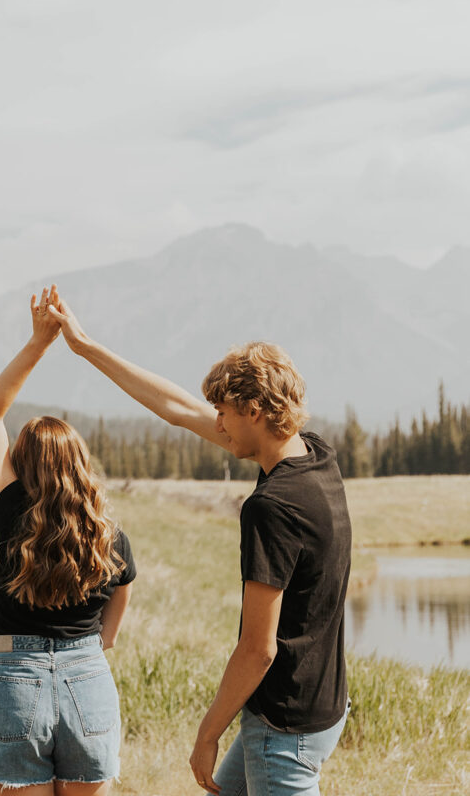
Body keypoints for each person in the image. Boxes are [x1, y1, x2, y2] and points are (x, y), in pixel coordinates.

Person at [48, 295, 351, 796]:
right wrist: (84, 347)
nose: (217, 423)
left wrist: (207, 735)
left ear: (254, 411)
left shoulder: (271, 507)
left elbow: (258, 649)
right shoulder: (314, 455)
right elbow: (177, 409)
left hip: (284, 729)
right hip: (319, 706)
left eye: (224, 412)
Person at [0, 286, 136, 796]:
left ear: (20, 465)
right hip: (87, 676)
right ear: (80, 465)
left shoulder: (12, 512)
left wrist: (40, 341)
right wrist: (98, 643)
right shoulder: (108, 533)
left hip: (13, 677)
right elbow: (122, 592)